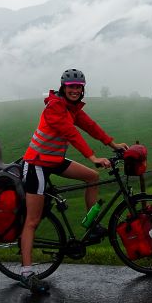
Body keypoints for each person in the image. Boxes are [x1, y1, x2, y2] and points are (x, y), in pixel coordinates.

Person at [19, 68, 129, 291]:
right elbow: (71, 133)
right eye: (71, 87)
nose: (75, 90)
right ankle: (27, 273)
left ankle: (92, 225)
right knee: (32, 220)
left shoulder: (73, 108)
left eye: (79, 87)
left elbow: (90, 126)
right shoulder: (54, 107)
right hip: (37, 164)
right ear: (63, 88)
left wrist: (113, 144)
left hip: (54, 160)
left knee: (92, 177)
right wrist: (92, 157)